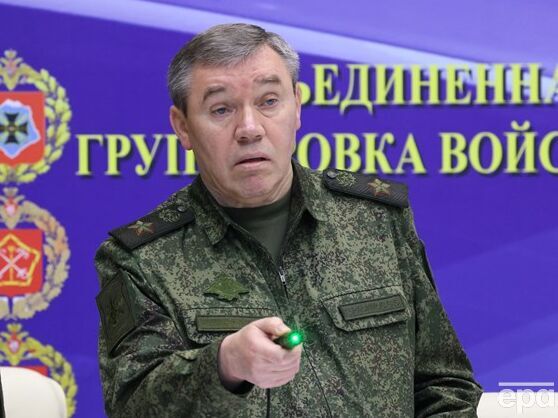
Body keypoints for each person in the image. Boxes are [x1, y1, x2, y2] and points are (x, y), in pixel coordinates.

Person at [95, 23, 483, 417]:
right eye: (221, 109)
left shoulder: (376, 220)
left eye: (268, 101)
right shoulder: (140, 260)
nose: (249, 129)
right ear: (183, 127)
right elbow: (133, 406)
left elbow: (444, 388)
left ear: (296, 105)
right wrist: (224, 364)